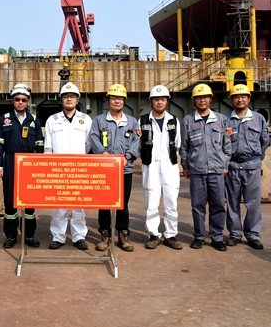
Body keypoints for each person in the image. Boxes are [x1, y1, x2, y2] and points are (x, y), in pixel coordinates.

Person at [180, 83, 231, 251]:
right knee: (198, 206)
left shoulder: (221, 120)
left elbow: (227, 145)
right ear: (194, 100)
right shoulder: (187, 121)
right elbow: (184, 147)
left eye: (205, 97)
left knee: (218, 205)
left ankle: (217, 237)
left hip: (217, 171)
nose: (202, 100)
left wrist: (225, 164)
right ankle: (199, 236)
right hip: (197, 171)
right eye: (199, 98)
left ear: (210, 99)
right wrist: (185, 165)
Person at [90, 83, 140, 252]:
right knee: (104, 202)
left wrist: (128, 157)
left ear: (124, 101)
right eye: (113, 98)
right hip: (104, 169)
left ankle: (123, 235)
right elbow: (94, 137)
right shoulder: (99, 120)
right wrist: (102, 153)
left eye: (120, 98)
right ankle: (105, 234)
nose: (117, 101)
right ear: (108, 101)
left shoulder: (132, 122)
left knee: (123, 203)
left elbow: (136, 141)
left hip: (124, 170)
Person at [0, 83, 44, 248]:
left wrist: (39, 165)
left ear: (28, 101)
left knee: (29, 202)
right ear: (12, 100)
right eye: (17, 99)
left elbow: (40, 144)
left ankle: (29, 235)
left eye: (23, 99)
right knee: (10, 202)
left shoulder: (34, 120)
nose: (20, 102)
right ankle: (10, 235)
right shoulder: (5, 119)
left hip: (30, 165)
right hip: (10, 164)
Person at [44, 83, 92, 250]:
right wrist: (49, 167)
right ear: (61, 100)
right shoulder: (52, 120)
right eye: (66, 96)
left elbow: (89, 144)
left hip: (79, 168)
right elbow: (48, 146)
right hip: (58, 168)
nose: (69, 99)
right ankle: (58, 236)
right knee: (59, 204)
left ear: (77, 100)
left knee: (79, 204)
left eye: (72, 96)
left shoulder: (86, 119)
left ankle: (79, 236)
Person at [225, 84, 270, 250]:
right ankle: (235, 234)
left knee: (253, 203)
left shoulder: (258, 119)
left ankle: (252, 235)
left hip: (252, 167)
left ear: (249, 98)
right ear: (232, 99)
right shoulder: (225, 120)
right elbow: (221, 144)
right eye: (236, 97)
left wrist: (256, 158)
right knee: (232, 202)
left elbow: (265, 141)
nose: (240, 99)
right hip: (232, 166)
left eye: (243, 96)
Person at [139, 85, 183, 250]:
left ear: (167, 102)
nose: (159, 102)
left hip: (170, 165)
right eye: (156, 99)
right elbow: (138, 144)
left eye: (163, 99)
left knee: (171, 200)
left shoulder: (174, 121)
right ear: (151, 101)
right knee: (151, 200)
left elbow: (177, 144)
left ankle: (171, 235)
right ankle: (153, 235)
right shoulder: (143, 120)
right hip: (150, 165)